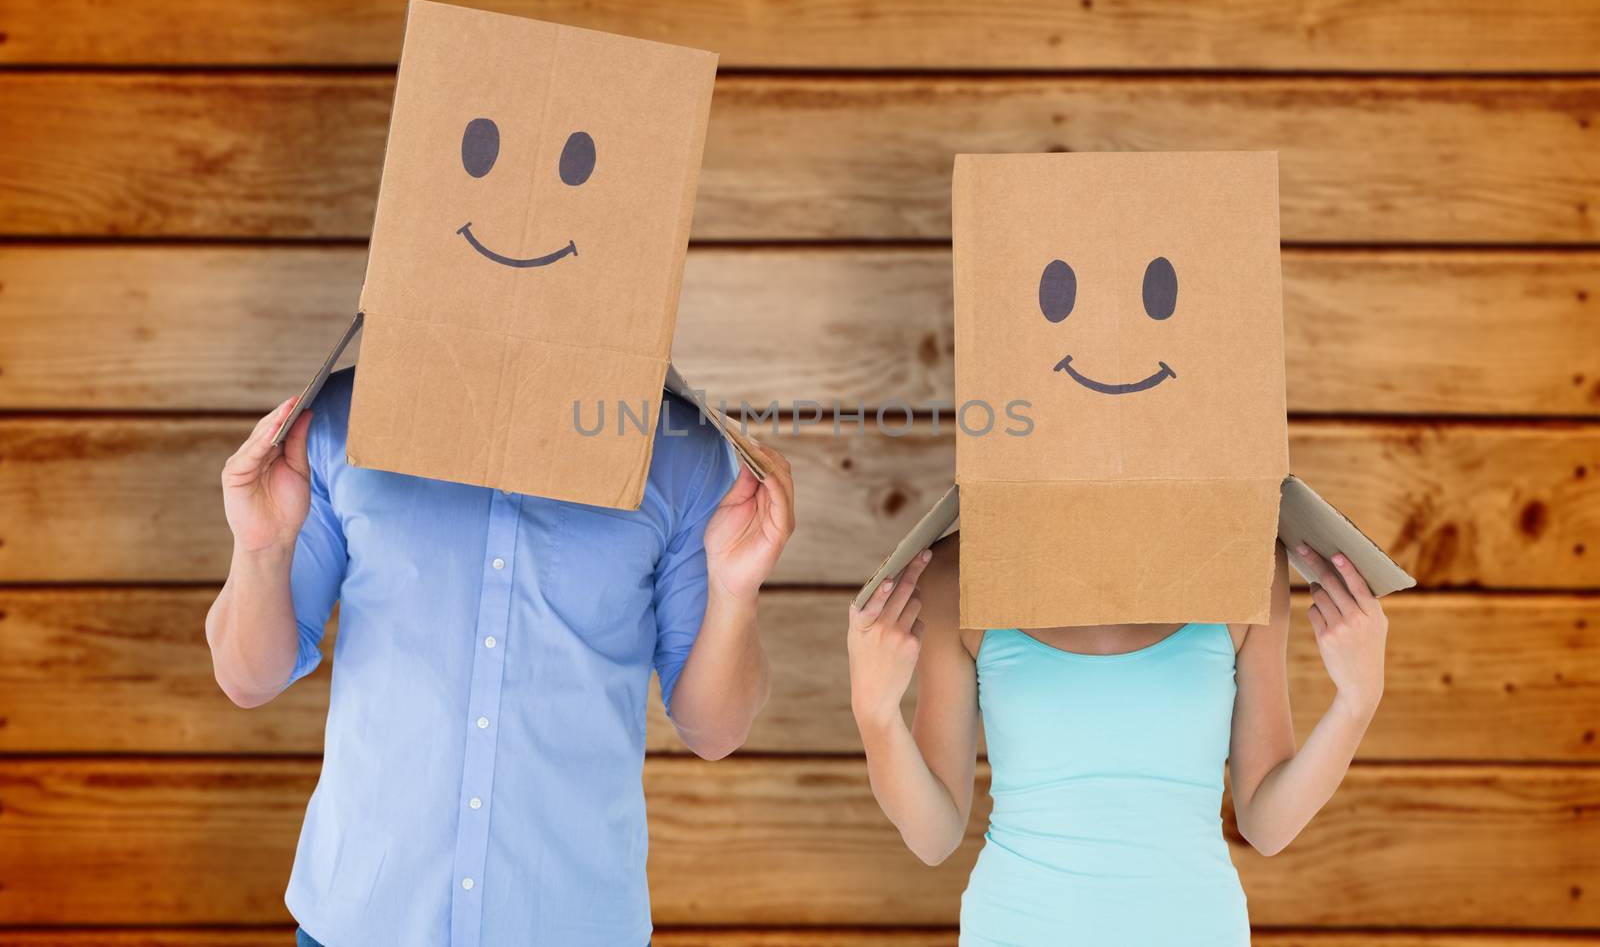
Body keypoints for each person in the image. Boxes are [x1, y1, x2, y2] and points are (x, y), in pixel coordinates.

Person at [207, 369, 795, 947]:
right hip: (360, 920)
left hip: (574, 928)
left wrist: (734, 592)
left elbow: (713, 731)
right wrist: (262, 548)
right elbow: (248, 678)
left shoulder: (679, 449)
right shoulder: (343, 419)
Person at [847, 533, 1388, 945]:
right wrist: (876, 714)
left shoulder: (1243, 553)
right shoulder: (958, 568)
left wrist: (1357, 700)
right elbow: (933, 835)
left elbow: (1266, 823)